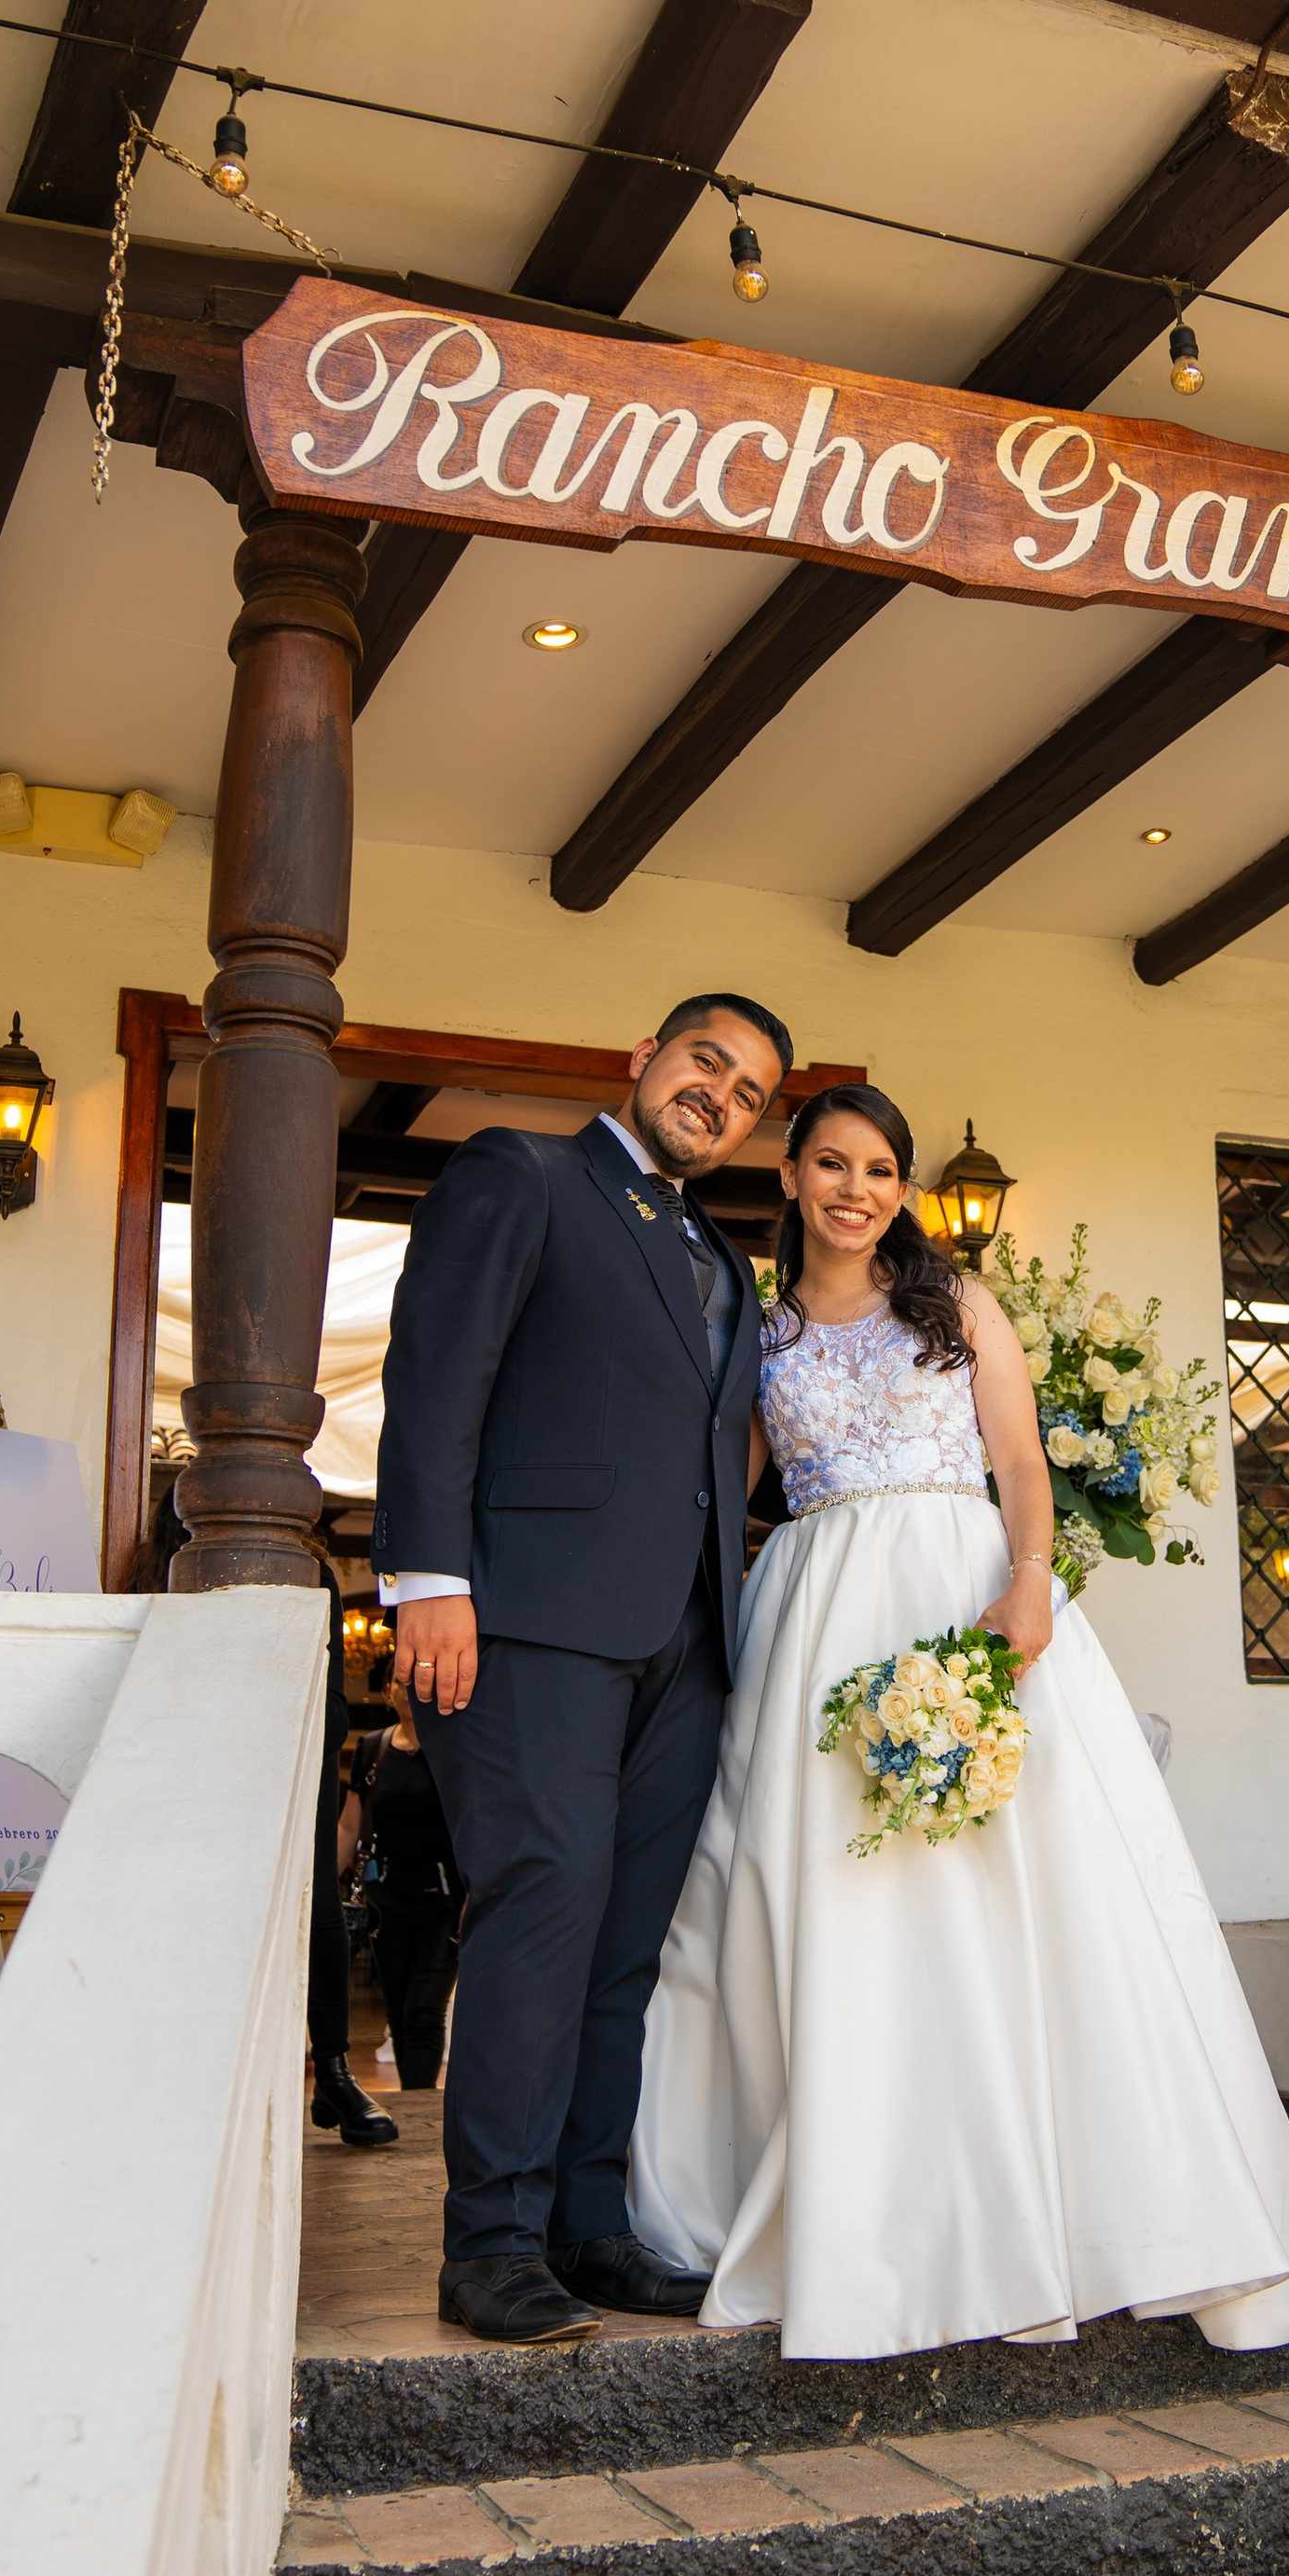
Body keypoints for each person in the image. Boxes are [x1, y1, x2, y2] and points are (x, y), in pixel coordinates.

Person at [630, 1083, 1289, 2361]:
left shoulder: (956, 1305)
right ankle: (851, 2199)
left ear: (902, 1189)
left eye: (879, 1169)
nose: (856, 1189)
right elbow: (718, 1491)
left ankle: (1080, 2201)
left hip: (964, 1591)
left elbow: (1020, 1461)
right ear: (790, 1176)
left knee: (1023, 1885)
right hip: (813, 1617)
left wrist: (1029, 1581)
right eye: (831, 1164)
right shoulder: (757, 1326)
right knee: (824, 1888)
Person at [373, 993, 790, 2344]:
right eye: (706, 1061)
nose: (720, 1095)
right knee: (544, 1900)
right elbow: (436, 1372)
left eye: (749, 1092)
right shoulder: (523, 1172)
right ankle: (489, 2242)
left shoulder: (724, 1260)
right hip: (530, 1618)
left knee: (626, 1941)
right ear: (644, 1058)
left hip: (689, 1637)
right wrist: (428, 1579)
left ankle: (588, 2223)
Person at [306, 1556, 399, 2148]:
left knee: (321, 1907)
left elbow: (334, 1709)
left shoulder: (314, 1569)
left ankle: (333, 2070)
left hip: (302, 1744)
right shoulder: (171, 1550)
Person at [346, 1694, 465, 2090]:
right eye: (400, 1679)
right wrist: (319, 1887)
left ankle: (417, 2099)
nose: (408, 1689)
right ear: (388, 1690)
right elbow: (349, 1825)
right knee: (398, 2013)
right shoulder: (372, 1749)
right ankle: (413, 2096)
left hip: (444, 1900)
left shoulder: (455, 1746)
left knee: (423, 2010)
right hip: (387, 1900)